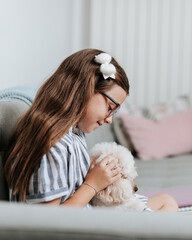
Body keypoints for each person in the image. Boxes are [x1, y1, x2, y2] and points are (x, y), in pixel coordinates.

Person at [4, 49, 178, 212]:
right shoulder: (52, 144)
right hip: (78, 226)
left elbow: (72, 187)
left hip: (88, 215)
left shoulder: (74, 133)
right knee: (165, 207)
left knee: (166, 201)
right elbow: (47, 221)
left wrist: (99, 178)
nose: (109, 119)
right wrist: (93, 184)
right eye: (110, 107)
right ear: (85, 89)